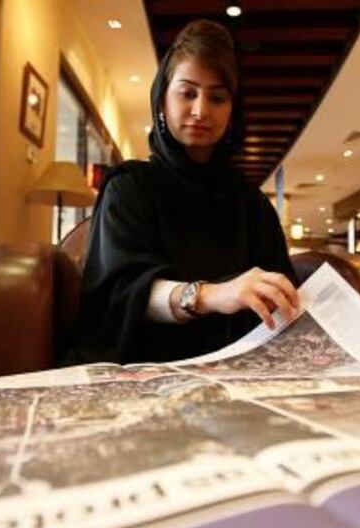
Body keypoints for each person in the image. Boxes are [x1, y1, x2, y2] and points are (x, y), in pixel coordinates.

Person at [68, 20, 299, 366]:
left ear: (232, 111)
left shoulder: (251, 203)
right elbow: (119, 295)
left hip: (240, 369)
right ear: (162, 100)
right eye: (187, 92)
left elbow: (282, 293)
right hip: (146, 365)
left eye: (217, 97)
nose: (201, 110)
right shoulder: (129, 187)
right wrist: (210, 295)